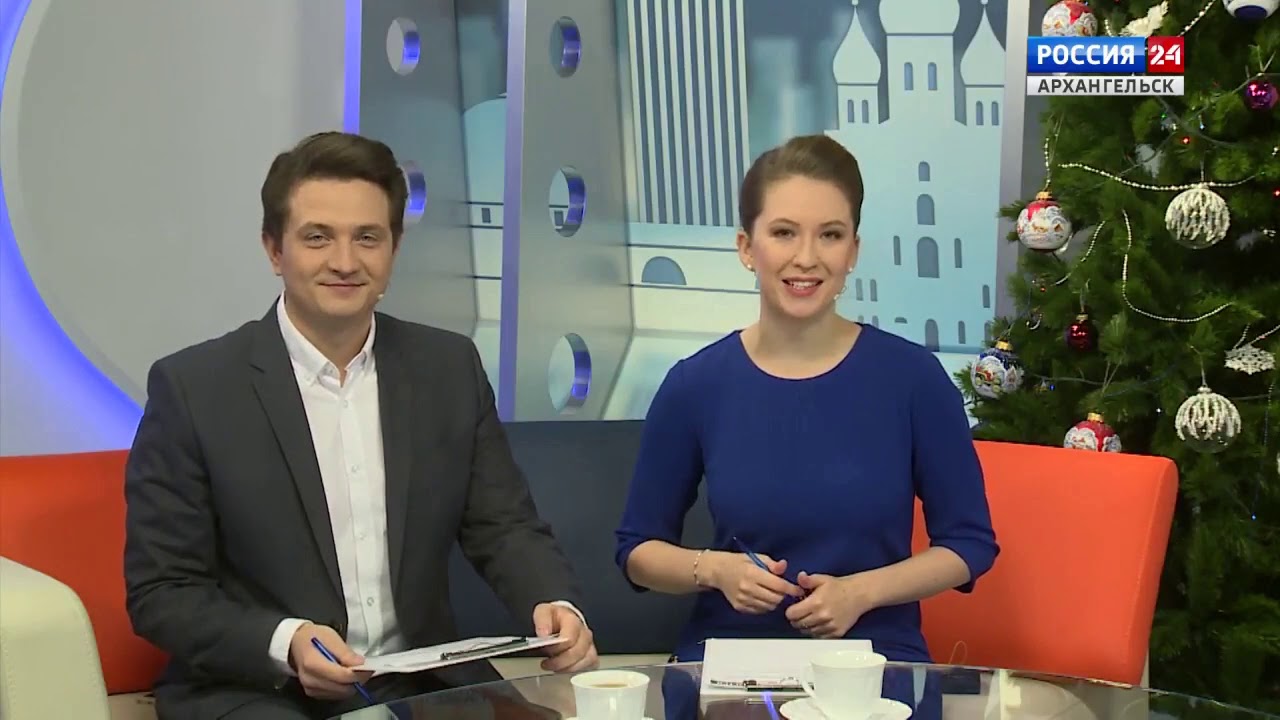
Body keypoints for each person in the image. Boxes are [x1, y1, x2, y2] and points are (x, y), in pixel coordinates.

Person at [124, 131, 597, 720]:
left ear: (394, 250)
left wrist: (552, 602)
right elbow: (163, 592)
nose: (345, 262)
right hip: (257, 691)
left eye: (367, 238)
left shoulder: (448, 368)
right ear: (274, 251)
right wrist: (287, 642)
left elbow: (503, 526)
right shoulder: (195, 388)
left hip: (422, 680)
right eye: (317, 237)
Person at [614, 134, 999, 668]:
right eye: (784, 233)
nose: (806, 258)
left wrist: (860, 593)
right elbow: (637, 550)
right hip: (731, 658)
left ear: (853, 251)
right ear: (746, 247)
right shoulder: (694, 385)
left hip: (874, 658)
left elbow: (969, 543)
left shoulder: (913, 379)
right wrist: (716, 570)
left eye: (830, 235)